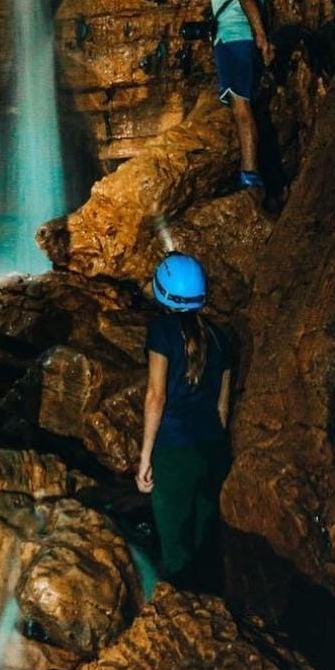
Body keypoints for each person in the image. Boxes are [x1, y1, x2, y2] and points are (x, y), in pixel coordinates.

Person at [135, 253, 231, 591]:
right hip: (212, 451)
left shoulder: (161, 332)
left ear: (163, 290)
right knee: (203, 542)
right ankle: (210, 606)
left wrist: (146, 456)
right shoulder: (220, 338)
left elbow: (156, 397)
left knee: (175, 550)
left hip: (174, 453)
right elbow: (222, 409)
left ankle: (183, 621)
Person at [207, 0, 272, 192]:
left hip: (235, 39)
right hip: (243, 40)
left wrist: (262, 38)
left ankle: (249, 174)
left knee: (241, 107)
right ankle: (250, 171)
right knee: (243, 103)